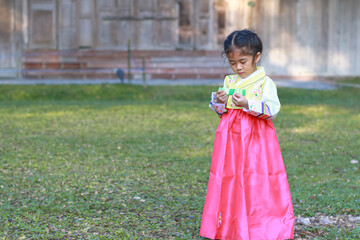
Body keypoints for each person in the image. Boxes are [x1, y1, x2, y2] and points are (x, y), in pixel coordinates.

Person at [199, 29, 295, 240]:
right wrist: (219, 102)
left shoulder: (264, 83)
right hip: (230, 140)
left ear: (256, 57)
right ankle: (232, 223)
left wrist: (248, 104)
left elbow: (272, 110)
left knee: (256, 178)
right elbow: (222, 112)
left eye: (243, 61)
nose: (238, 67)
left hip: (257, 140)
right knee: (231, 178)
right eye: (233, 63)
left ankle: (262, 225)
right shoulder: (229, 82)